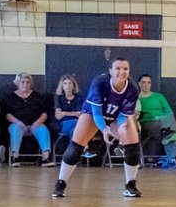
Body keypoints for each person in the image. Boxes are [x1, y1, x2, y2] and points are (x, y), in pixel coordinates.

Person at [53, 57, 143, 199]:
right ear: (110, 71)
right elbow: (97, 113)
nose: (121, 72)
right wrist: (104, 130)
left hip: (116, 116)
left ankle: (130, 185)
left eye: (125, 69)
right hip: (93, 114)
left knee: (132, 145)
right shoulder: (100, 82)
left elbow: (124, 114)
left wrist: (121, 126)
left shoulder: (133, 89)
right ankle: (60, 183)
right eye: (118, 68)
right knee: (76, 146)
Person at [1, 72, 53, 166]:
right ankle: (14, 157)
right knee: (16, 129)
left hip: (35, 125)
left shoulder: (37, 96)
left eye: (28, 82)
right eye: (23, 82)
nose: (25, 84)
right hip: (17, 124)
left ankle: (46, 158)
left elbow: (44, 113)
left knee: (43, 130)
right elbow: (7, 114)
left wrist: (38, 122)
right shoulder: (11, 97)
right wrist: (18, 123)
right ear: (17, 83)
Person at [136, 75, 176, 167]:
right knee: (169, 131)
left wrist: (161, 117)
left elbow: (169, 111)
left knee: (168, 124)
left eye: (148, 82)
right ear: (139, 84)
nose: (146, 85)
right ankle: (172, 156)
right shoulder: (137, 98)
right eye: (143, 82)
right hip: (147, 123)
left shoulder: (159, 96)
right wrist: (155, 118)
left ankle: (168, 136)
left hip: (163, 121)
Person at [53, 74, 83, 140]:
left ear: (73, 85)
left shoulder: (78, 98)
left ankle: (72, 147)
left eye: (70, 83)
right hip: (62, 123)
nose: (68, 85)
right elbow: (58, 115)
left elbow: (80, 114)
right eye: (65, 83)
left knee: (73, 131)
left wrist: (65, 113)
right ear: (62, 86)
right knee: (79, 124)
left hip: (76, 124)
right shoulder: (58, 97)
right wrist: (74, 113)